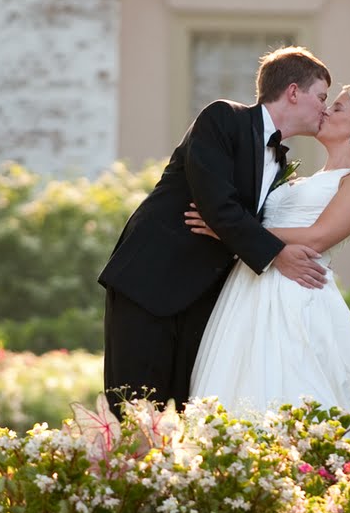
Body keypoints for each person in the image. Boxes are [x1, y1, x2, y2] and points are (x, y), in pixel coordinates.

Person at [98, 45, 334, 409]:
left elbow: (234, 220)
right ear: (292, 92)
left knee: (186, 419)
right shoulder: (223, 118)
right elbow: (218, 205)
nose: (325, 107)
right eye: (321, 96)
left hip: (207, 302)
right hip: (151, 282)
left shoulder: (279, 159)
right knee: (134, 412)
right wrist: (278, 255)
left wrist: (230, 230)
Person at [187, 84, 350, 415]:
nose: (327, 111)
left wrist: (229, 231)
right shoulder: (308, 178)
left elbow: (317, 237)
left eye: (338, 107)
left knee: (289, 386)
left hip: (295, 291)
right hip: (249, 284)